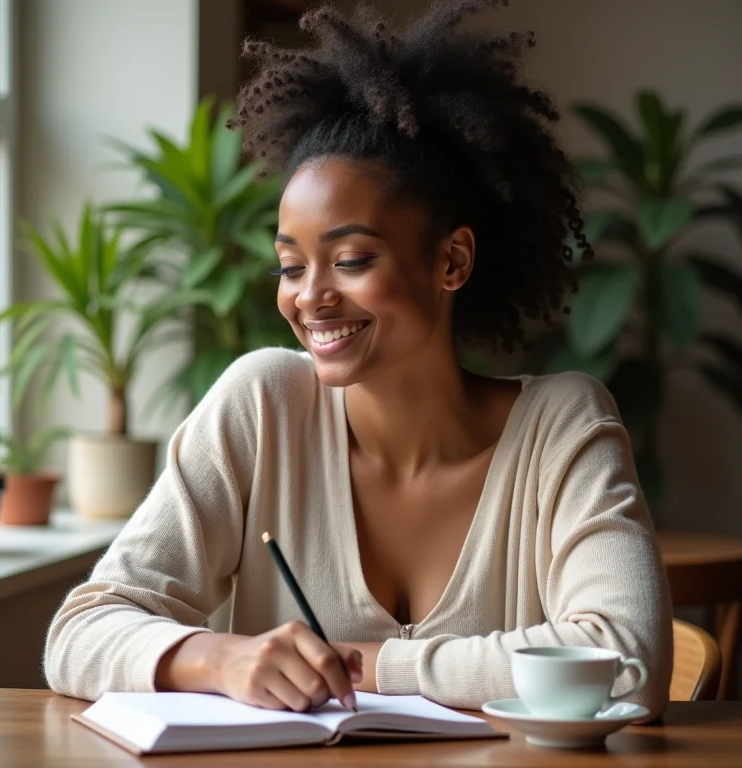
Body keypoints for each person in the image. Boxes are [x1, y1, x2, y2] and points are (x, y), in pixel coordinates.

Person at [45, 0, 672, 715]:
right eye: (290, 266)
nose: (311, 297)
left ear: (452, 261)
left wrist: (368, 665)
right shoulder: (263, 405)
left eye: (350, 259)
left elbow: (627, 662)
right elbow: (78, 632)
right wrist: (219, 658)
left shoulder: (561, 426)